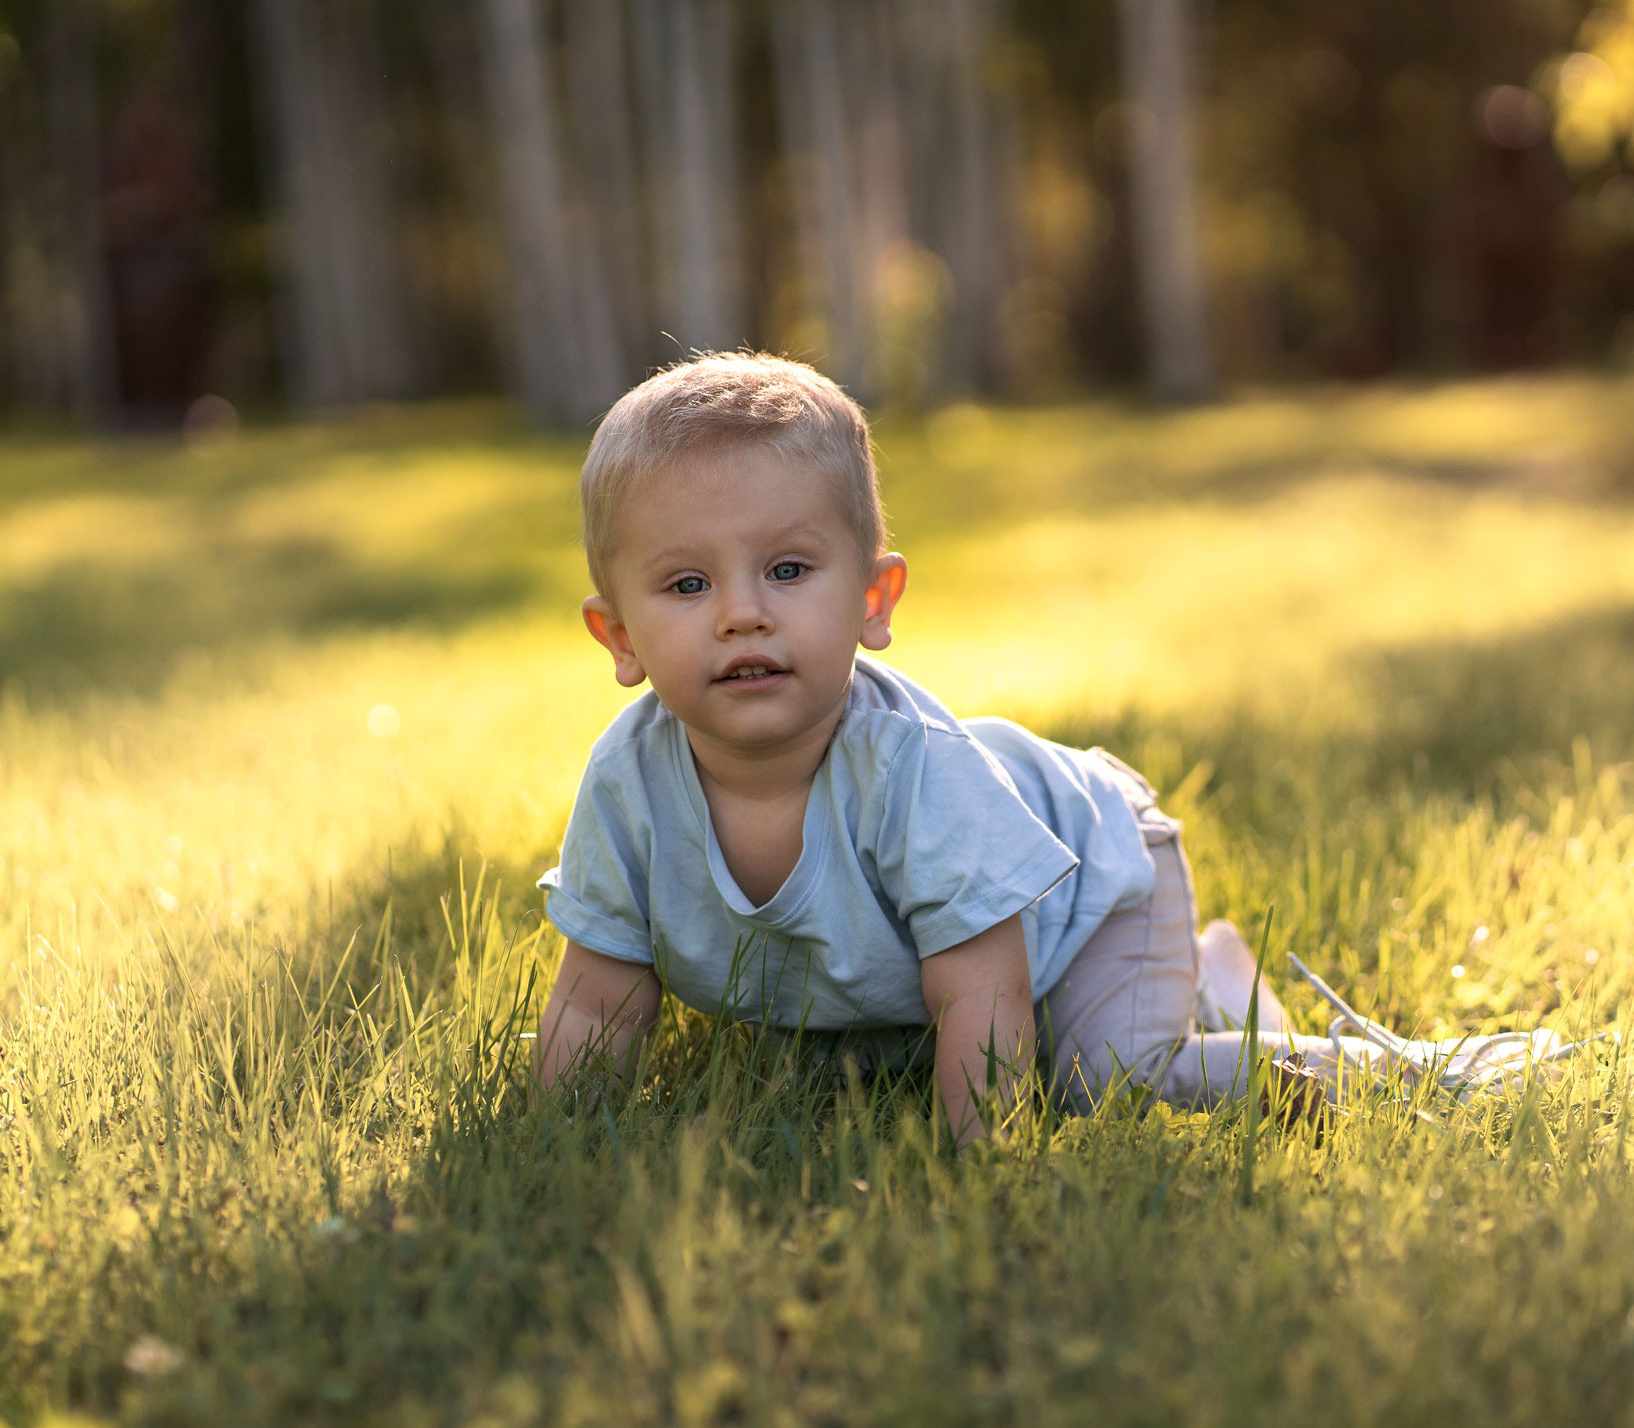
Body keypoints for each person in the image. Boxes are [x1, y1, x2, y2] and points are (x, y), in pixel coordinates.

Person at [534, 353, 1544, 1139]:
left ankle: (1410, 1069)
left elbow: (981, 987)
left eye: (789, 569)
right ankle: (1217, 977)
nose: (742, 615)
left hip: (1094, 881)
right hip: (962, 951)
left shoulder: (909, 769)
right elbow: (600, 994)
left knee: (1106, 1078)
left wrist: (986, 1166)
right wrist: (559, 1140)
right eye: (686, 586)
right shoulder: (631, 786)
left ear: (874, 601)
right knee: (848, 1070)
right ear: (618, 636)